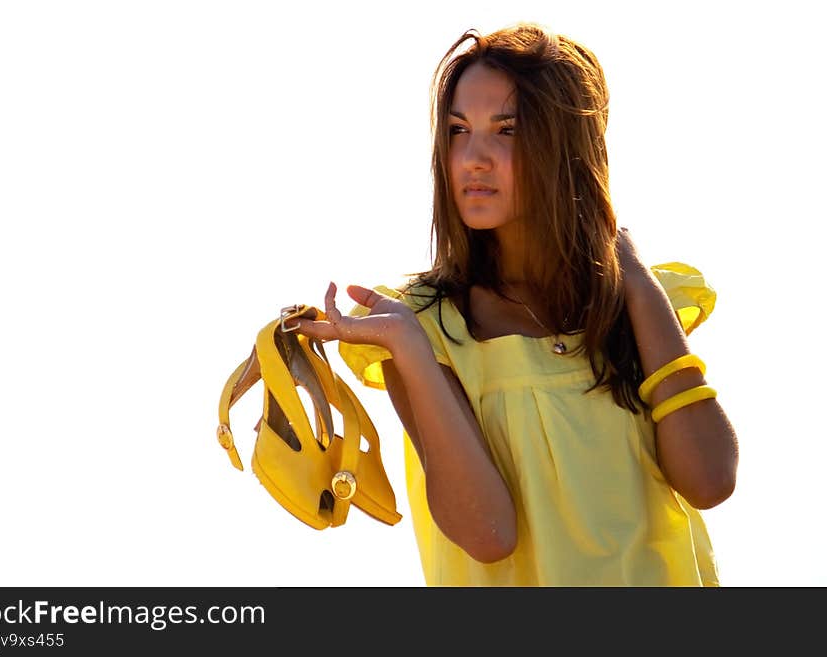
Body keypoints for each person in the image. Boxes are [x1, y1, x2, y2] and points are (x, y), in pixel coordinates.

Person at [293, 22, 739, 586]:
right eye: (457, 131)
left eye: (506, 130)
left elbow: (710, 479)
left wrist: (631, 270)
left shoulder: (640, 299)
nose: (472, 158)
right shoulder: (424, 327)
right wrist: (409, 348)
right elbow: (488, 534)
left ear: (567, 148)